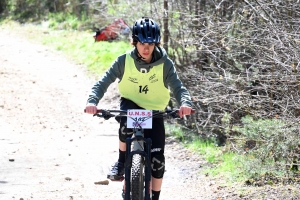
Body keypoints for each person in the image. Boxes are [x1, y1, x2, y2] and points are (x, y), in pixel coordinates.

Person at [85, 17, 193, 200]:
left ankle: (155, 197)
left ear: (156, 44)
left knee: (158, 162)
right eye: (142, 43)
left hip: (155, 110)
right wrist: (92, 101)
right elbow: (103, 82)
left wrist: (185, 103)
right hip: (131, 104)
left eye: (150, 44)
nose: (146, 48)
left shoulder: (165, 64)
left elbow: (178, 87)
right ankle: (121, 163)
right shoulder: (123, 61)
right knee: (126, 124)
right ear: (134, 41)